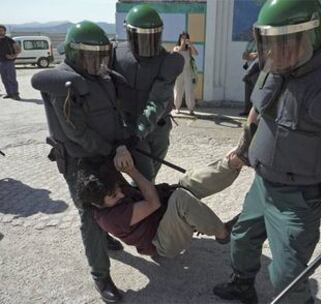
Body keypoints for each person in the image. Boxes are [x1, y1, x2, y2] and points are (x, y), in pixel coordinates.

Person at [213, 1, 321, 304]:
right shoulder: (278, 65)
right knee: (242, 240)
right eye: (271, 42)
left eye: (285, 42)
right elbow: (259, 108)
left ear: (311, 36)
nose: (276, 52)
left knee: (286, 274)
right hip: (262, 185)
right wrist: (244, 147)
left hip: (298, 199)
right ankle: (242, 286)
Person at [31, 21, 138, 303]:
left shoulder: (101, 77)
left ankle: (104, 239)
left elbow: (115, 115)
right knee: (90, 217)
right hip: (82, 162)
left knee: (115, 201)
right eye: (91, 57)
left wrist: (123, 141)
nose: (97, 63)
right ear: (75, 54)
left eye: (101, 56)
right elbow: (77, 133)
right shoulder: (64, 83)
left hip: (108, 154)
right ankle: (101, 276)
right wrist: (113, 148)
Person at [77, 154, 243, 259]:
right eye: (114, 196)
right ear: (97, 203)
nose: (121, 194)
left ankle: (235, 161)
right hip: (162, 244)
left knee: (187, 182)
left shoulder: (106, 187)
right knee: (180, 198)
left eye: (118, 189)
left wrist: (120, 149)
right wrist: (132, 171)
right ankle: (223, 233)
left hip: (163, 219)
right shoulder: (111, 219)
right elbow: (153, 203)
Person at [112, 4, 184, 182]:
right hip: (130, 128)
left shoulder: (168, 61)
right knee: (145, 178)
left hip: (156, 129)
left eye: (151, 37)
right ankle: (143, 205)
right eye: (141, 37)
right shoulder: (114, 55)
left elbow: (158, 100)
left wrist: (139, 131)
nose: (146, 43)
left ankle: (140, 202)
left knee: (148, 176)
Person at [173, 31, 199, 115]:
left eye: (185, 38)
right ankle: (177, 108)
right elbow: (175, 54)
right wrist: (182, 45)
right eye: (182, 37)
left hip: (188, 72)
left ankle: (191, 109)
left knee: (189, 90)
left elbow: (196, 53)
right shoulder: (176, 48)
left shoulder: (189, 50)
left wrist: (190, 44)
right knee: (178, 90)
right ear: (179, 38)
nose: (184, 39)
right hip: (178, 72)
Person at [240, 37, 259, 116]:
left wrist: (252, 55)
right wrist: (249, 55)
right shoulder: (250, 42)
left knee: (256, 92)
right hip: (248, 70)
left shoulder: (262, 42)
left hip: (257, 70)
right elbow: (244, 56)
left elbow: (259, 55)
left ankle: (255, 113)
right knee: (248, 91)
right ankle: (246, 110)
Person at [0, 25, 21, 100]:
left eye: (1, 30)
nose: (0, 32)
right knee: (4, 79)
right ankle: (9, 93)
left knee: (11, 79)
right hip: (1, 63)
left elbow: (18, 49)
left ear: (4, 31)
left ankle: (15, 94)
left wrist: (13, 56)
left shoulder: (9, 40)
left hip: (9, 63)